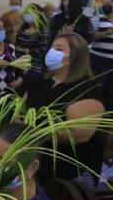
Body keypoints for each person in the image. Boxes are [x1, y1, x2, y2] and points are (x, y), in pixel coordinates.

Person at [24, 33, 105, 182]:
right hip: (38, 163)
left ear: (75, 56)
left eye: (59, 49)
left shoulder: (85, 89)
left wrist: (33, 131)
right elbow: (24, 109)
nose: (52, 52)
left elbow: (77, 134)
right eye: (52, 47)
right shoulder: (42, 82)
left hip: (71, 168)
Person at [14, 6, 50, 91]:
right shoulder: (21, 28)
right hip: (18, 62)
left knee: (31, 81)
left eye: (29, 14)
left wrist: (22, 50)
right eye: (26, 13)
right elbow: (14, 45)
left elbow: (41, 51)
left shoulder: (42, 31)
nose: (26, 15)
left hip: (34, 64)